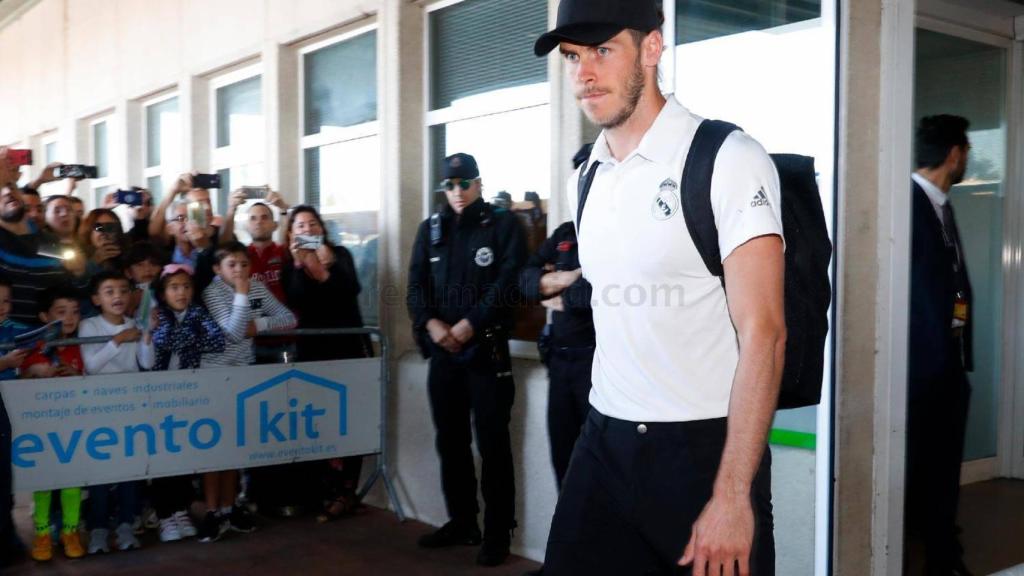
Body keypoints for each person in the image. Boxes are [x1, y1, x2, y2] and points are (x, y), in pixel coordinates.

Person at [533, 2, 786, 574]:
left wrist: (731, 495)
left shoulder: (726, 159)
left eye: (602, 50)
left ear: (652, 48)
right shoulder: (588, 176)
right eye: (574, 56)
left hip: (700, 454)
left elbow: (765, 336)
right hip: (603, 438)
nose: (584, 74)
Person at [407, 152, 527, 567]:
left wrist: (469, 325)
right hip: (444, 354)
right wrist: (433, 326)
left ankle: (497, 533)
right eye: (449, 185)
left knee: (493, 445)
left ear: (478, 183)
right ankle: (462, 521)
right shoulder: (431, 229)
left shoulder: (502, 224)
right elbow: (416, 286)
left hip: (485, 350)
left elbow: (509, 283)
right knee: (450, 441)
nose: (457, 192)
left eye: (464, 184)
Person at [907, 115, 975, 576]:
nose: (967, 157)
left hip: (945, 364)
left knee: (941, 466)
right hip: (917, 369)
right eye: (966, 149)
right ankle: (939, 556)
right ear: (954, 154)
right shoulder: (907, 204)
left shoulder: (941, 206)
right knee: (927, 467)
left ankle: (942, 553)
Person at [199, 241, 296, 543]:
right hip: (214, 376)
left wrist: (260, 323)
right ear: (218, 269)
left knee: (234, 446)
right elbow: (231, 332)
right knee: (214, 449)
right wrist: (241, 295)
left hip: (244, 372)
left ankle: (230, 508)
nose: (239, 271)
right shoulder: (212, 291)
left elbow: (288, 318)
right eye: (232, 265)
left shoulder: (256, 286)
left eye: (243, 265)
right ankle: (212, 512)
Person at [282, 205, 372, 520]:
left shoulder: (341, 254)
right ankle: (319, 490)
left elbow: (348, 290)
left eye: (311, 223)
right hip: (312, 352)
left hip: (348, 347)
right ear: (291, 233)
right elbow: (299, 300)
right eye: (299, 225)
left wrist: (322, 267)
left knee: (350, 420)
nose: (306, 229)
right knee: (317, 420)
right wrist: (300, 263)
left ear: (322, 227)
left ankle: (345, 492)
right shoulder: (289, 264)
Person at [79, 270, 156, 554]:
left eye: (123, 290)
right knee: (101, 471)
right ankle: (98, 528)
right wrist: (120, 339)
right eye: (109, 291)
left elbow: (146, 363)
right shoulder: (90, 326)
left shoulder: (135, 323)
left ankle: (126, 524)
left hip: (132, 404)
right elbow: (91, 366)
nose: (118, 296)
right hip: (100, 406)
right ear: (96, 299)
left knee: (130, 468)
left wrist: (145, 336)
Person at [150, 263, 225, 543]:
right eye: (174, 287)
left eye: (186, 286)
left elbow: (218, 341)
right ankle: (164, 515)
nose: (181, 292)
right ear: (163, 292)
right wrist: (192, 338)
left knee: (183, 455)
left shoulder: (197, 313)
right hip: (158, 396)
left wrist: (184, 340)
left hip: (189, 395)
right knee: (161, 456)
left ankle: (181, 511)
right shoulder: (159, 315)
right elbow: (162, 339)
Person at [518, 217, 594, 489]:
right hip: (559, 361)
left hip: (594, 364)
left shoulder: (613, 227)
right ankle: (570, 530)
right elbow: (524, 279)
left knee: (597, 462)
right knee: (562, 457)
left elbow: (594, 293)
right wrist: (569, 276)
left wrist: (549, 288)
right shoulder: (565, 231)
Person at [20, 285, 86, 561]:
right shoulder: (31, 351)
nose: (69, 318)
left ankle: (70, 531)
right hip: (41, 433)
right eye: (61, 312)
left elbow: (89, 384)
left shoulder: (80, 347)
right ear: (44, 316)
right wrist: (35, 374)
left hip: (72, 429)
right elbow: (20, 388)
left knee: (71, 484)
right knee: (44, 484)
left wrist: (74, 374)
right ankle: (43, 533)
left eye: (74, 312)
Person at [0, 275, 31, 567]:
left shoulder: (16, 331)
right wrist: (5, 363)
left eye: (6, 300)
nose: (1, 306)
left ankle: (7, 539)